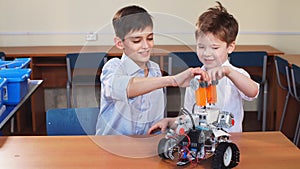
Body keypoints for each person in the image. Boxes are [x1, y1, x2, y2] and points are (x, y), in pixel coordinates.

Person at [95, 5, 209, 135]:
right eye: (137, 40)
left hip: (146, 146)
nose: (146, 46)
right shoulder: (113, 67)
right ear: (119, 43)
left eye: (150, 38)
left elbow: (156, 121)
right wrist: (172, 80)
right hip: (114, 147)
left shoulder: (154, 70)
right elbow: (126, 88)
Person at [148, 1, 259, 134]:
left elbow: (252, 92)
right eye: (201, 47)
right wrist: (171, 122)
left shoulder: (235, 74)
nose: (206, 53)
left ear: (230, 47)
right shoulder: (194, 78)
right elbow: (190, 116)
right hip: (202, 142)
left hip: (229, 142)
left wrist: (229, 72)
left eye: (214, 47)